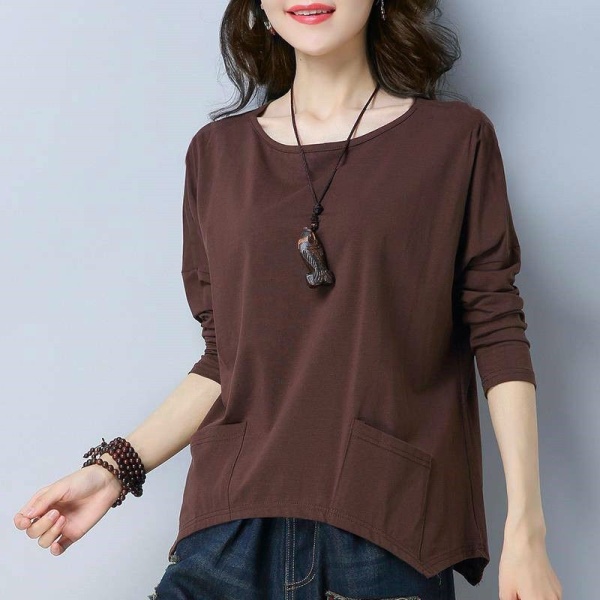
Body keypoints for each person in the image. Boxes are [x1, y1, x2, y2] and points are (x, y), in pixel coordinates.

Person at [14, 1, 563, 599]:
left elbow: (496, 328)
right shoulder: (216, 154)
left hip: (384, 533)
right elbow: (226, 358)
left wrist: (526, 530)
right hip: (226, 534)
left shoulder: (452, 140)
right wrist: (114, 470)